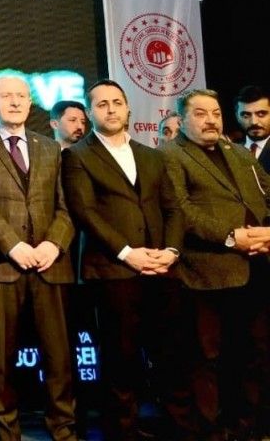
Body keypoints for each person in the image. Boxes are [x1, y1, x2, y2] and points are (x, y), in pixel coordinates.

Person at [62, 79, 193, 441]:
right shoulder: (77, 156)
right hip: (114, 270)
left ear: (128, 108)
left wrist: (171, 251)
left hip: (162, 268)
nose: (111, 109)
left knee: (171, 356)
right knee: (121, 362)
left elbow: (173, 209)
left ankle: (178, 430)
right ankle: (122, 433)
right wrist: (127, 253)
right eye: (102, 104)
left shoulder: (152, 155)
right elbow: (85, 212)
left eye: (117, 102)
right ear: (90, 113)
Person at [162, 89, 270, 441]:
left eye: (216, 113)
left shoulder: (238, 153)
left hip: (255, 268)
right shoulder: (169, 154)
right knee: (206, 359)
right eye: (201, 114)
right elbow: (182, 211)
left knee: (253, 353)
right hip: (206, 273)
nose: (211, 120)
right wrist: (230, 237)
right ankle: (210, 432)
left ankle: (246, 427)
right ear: (182, 119)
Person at [0, 75, 76, 441]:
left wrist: (53, 244)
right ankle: (7, 433)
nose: (15, 102)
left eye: (21, 95)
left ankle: (63, 430)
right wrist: (12, 245)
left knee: (59, 358)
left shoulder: (50, 147)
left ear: (31, 102)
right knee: (1, 362)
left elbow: (68, 205)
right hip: (0, 266)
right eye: (6, 96)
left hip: (51, 265)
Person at [234, 85, 270, 174]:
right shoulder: (231, 150)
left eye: (261, 114)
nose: (254, 122)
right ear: (237, 117)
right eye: (246, 115)